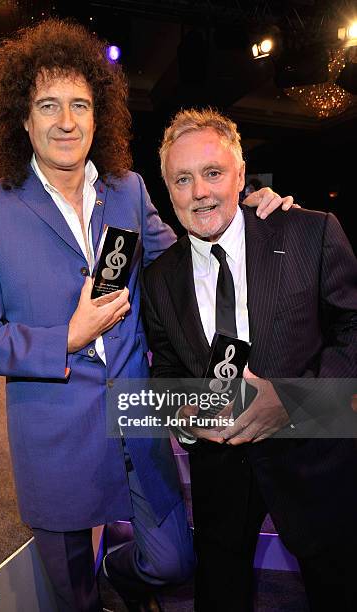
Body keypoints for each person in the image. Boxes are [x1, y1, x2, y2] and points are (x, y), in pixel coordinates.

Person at [0, 20, 295, 612]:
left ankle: (122, 576)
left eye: (80, 104)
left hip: (137, 410)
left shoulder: (127, 189)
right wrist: (66, 338)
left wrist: (246, 213)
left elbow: (184, 258)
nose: (66, 121)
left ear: (97, 113)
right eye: (48, 105)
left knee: (172, 560)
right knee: (72, 595)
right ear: (23, 119)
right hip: (52, 428)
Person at [142, 107, 357, 612]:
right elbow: (167, 370)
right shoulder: (158, 280)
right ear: (167, 190)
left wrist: (295, 403)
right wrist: (185, 416)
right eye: (183, 179)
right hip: (220, 474)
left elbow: (352, 329)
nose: (200, 193)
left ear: (241, 175)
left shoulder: (311, 232)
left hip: (315, 464)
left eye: (213, 173)